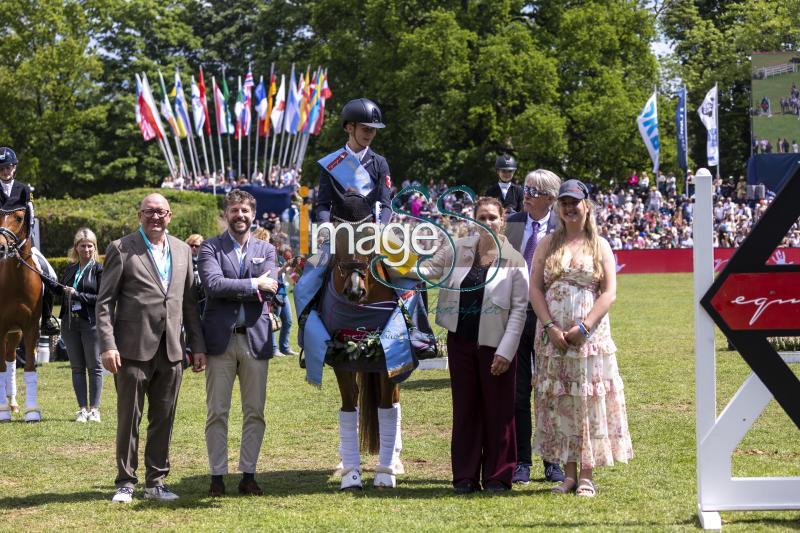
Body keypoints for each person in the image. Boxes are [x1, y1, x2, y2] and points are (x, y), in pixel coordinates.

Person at [411, 197, 529, 493]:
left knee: (499, 412)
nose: (487, 222)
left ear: (503, 220)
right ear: (473, 220)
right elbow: (428, 271)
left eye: (492, 217)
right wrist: (393, 264)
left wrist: (506, 350)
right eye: (482, 217)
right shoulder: (458, 247)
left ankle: (498, 476)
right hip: (460, 342)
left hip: (496, 346)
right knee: (465, 410)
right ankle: (464, 476)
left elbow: (519, 310)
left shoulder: (514, 259)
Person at [96, 193, 206, 503]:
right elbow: (104, 304)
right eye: (149, 212)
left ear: (170, 216)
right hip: (130, 349)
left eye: (161, 212)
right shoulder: (121, 248)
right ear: (139, 215)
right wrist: (107, 344)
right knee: (129, 417)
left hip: (172, 350)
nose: (155, 217)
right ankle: (125, 482)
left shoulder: (184, 251)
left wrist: (196, 346)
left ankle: (156, 482)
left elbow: (188, 305)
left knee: (164, 418)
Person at [530, 179, 633, 497]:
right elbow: (535, 288)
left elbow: (610, 292)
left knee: (587, 401)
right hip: (553, 338)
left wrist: (584, 327)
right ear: (558, 208)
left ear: (586, 205)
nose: (570, 207)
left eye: (575, 202)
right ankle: (569, 475)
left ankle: (587, 474)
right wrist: (550, 327)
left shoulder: (600, 244)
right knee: (560, 402)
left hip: (590, 340)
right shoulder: (548, 243)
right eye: (564, 202)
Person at [197, 189, 278, 497]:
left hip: (255, 340)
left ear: (252, 214)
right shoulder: (209, 248)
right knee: (217, 412)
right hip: (220, 342)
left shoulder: (266, 249)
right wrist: (254, 283)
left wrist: (256, 286)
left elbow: (272, 289)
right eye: (234, 210)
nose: (240, 215)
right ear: (226, 214)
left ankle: (248, 474)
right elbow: (214, 285)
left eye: (245, 210)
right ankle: (217, 477)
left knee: (254, 411)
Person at [503, 169, 564, 485]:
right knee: (518, 392)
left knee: (549, 392)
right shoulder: (511, 224)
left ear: (551, 198)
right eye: (525, 188)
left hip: (550, 320)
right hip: (515, 317)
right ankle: (522, 461)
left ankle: (553, 461)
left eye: (533, 191)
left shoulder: (563, 227)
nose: (525, 194)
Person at [44, 228, 104, 422]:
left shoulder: (99, 269)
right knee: (77, 367)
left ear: (94, 248)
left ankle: (94, 409)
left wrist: (78, 295)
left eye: (90, 245)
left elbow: (102, 298)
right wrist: (42, 275)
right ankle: (82, 409)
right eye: (82, 245)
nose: (86, 249)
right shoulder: (71, 268)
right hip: (69, 323)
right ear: (76, 247)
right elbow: (61, 290)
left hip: (91, 322)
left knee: (94, 366)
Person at [0, 146, 60, 336]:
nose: (4, 171)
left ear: (14, 167)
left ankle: (47, 318)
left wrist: (22, 241)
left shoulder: (24, 189)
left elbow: (31, 217)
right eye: (1, 168)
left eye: (7, 167)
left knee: (51, 275)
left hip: (22, 242)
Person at [316, 98, 393, 225]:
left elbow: (385, 205)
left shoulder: (380, 163)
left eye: (373, 129)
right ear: (349, 127)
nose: (370, 134)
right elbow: (323, 204)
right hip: (338, 231)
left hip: (371, 231)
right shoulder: (331, 163)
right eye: (365, 128)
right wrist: (325, 228)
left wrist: (382, 228)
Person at [185, 234, 206, 315]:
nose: (194, 248)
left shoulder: (207, 260)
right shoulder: (183, 260)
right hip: (189, 299)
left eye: (197, 246)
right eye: (191, 245)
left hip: (204, 299)